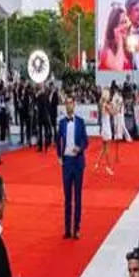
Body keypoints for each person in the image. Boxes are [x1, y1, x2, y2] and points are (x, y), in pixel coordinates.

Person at [56, 100, 87, 240]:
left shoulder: (80, 121)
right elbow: (58, 140)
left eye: (70, 103)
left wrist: (79, 148)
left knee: (78, 196)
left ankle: (77, 228)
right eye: (66, 103)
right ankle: (67, 229)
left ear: (74, 105)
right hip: (67, 162)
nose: (68, 105)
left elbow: (86, 140)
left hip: (78, 162)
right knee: (67, 197)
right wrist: (59, 156)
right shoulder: (62, 123)